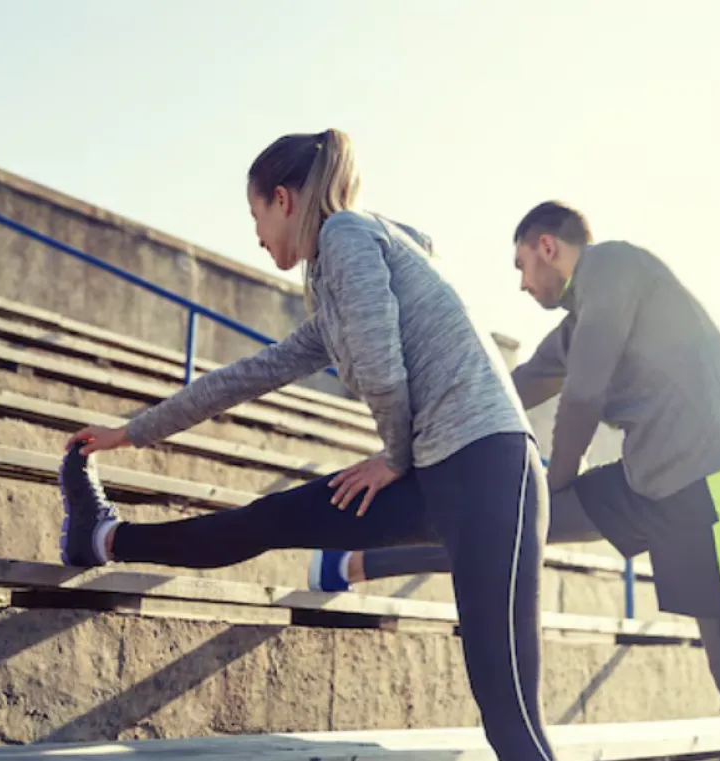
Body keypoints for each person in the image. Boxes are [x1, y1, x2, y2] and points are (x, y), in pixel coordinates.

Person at [58, 129, 558, 761]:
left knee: (509, 715)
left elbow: (382, 368)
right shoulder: (333, 290)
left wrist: (393, 458)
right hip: (439, 473)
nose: (257, 234)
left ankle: (102, 537)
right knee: (269, 519)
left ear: (284, 199)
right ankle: (100, 537)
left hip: (489, 473)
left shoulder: (347, 236)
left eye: (255, 214)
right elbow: (248, 375)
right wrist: (130, 432)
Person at [311, 201, 720, 761]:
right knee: (499, 526)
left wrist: (556, 482)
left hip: (709, 480)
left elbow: (584, 394)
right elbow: (507, 387)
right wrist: (407, 446)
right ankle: (354, 563)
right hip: (647, 483)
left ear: (548, 247)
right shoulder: (576, 330)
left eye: (521, 265)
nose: (521, 284)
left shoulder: (613, 266)